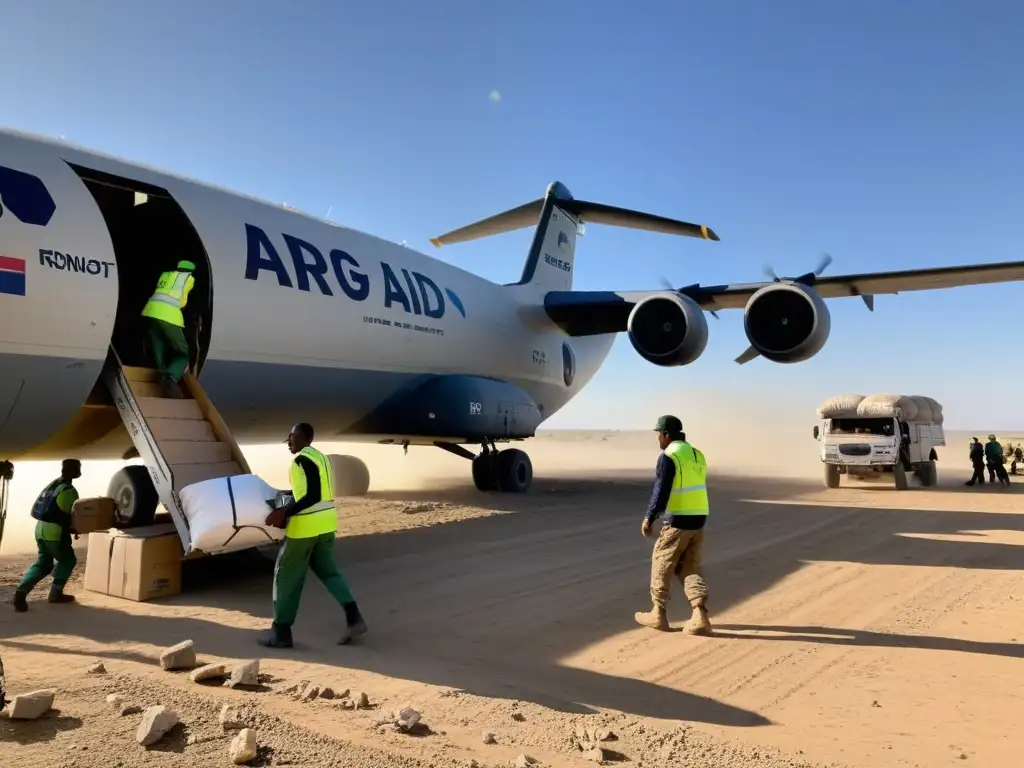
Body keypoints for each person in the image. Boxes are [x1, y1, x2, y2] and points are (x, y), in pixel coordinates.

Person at [258, 423, 368, 648]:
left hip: (305, 528)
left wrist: (284, 512)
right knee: (328, 571)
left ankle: (281, 632)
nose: (288, 441)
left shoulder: (301, 461)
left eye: (291, 436)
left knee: (286, 575)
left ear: (303, 437)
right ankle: (354, 617)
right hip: (326, 524)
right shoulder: (321, 458)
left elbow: (312, 495)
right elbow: (314, 492)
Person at [633, 415, 711, 635]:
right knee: (689, 567)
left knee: (661, 561)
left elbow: (662, 489)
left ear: (666, 435)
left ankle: (658, 613)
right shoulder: (697, 454)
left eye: (659, 434)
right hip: (699, 518)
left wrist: (650, 517)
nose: (658, 438)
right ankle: (700, 614)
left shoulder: (669, 456)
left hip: (678, 519)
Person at [12, 459, 82, 612]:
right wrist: (75, 528)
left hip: (40, 530)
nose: (80, 470)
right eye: (78, 468)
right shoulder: (69, 490)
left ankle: (20, 593)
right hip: (54, 533)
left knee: (43, 563)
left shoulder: (55, 484)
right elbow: (65, 515)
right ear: (74, 471)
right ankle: (56, 594)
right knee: (68, 559)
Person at [141, 260, 197, 399]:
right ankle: (170, 378)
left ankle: (160, 374)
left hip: (150, 312)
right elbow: (183, 302)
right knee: (182, 353)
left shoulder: (165, 275)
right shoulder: (189, 279)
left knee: (158, 346)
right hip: (169, 316)